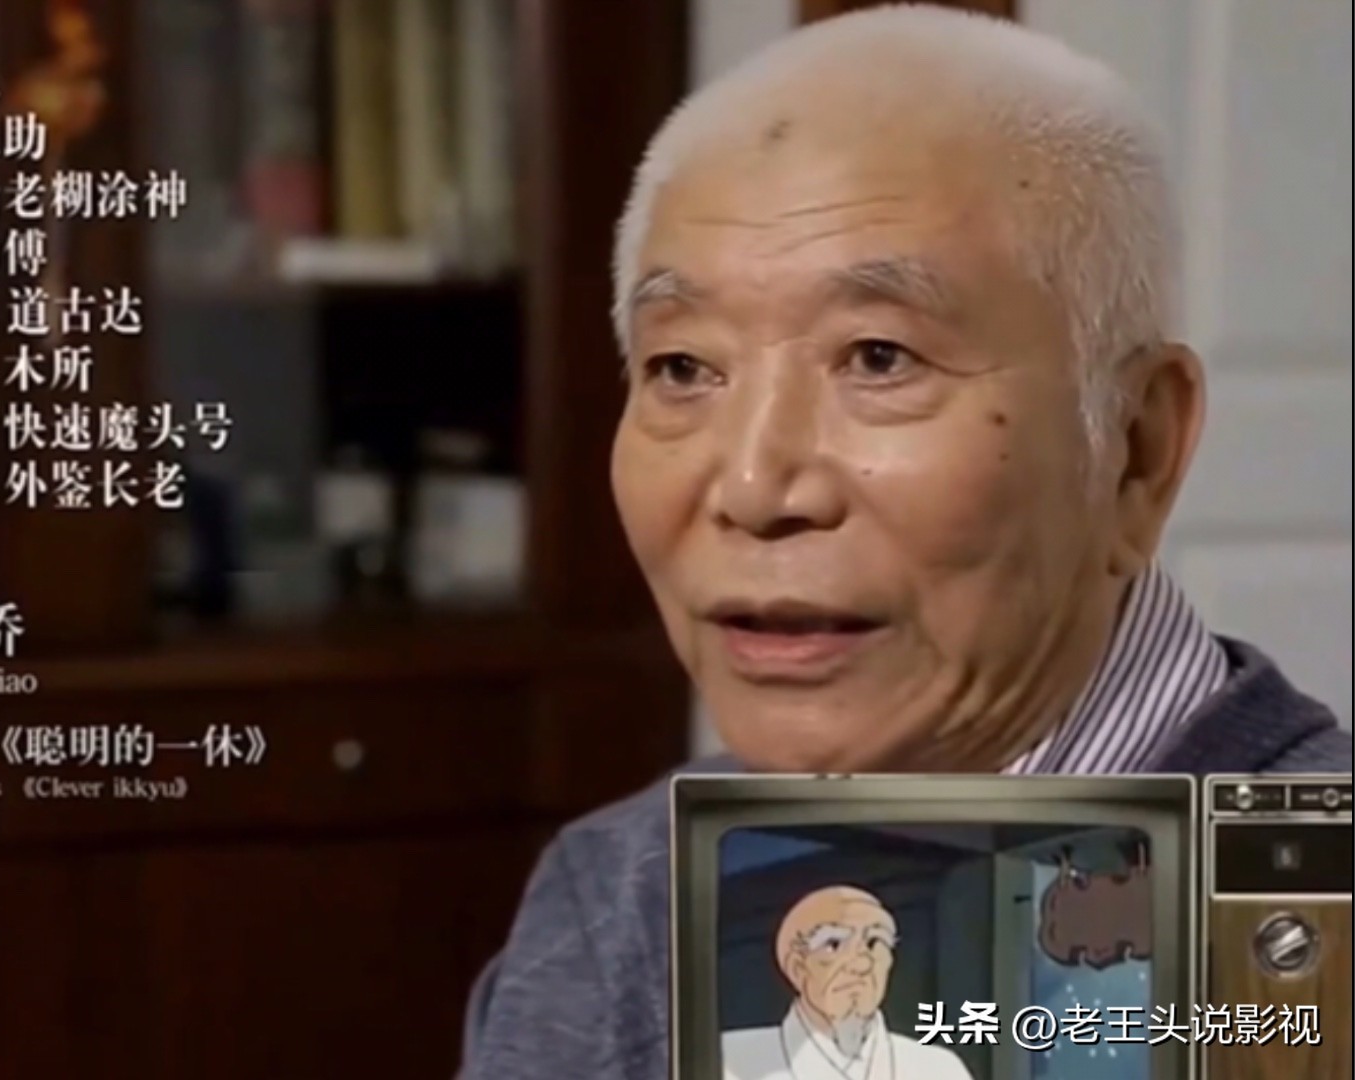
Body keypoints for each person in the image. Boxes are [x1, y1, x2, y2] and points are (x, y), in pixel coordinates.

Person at [457, 7, 1350, 1080]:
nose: (753, 487)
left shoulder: (1306, 914)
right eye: (683, 368)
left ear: (1135, 451)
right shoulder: (619, 894)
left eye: (878, 357)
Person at [723, 886, 972, 1080]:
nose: (861, 964)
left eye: (874, 943)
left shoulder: (939, 1069)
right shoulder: (729, 1060)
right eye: (834, 945)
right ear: (797, 968)